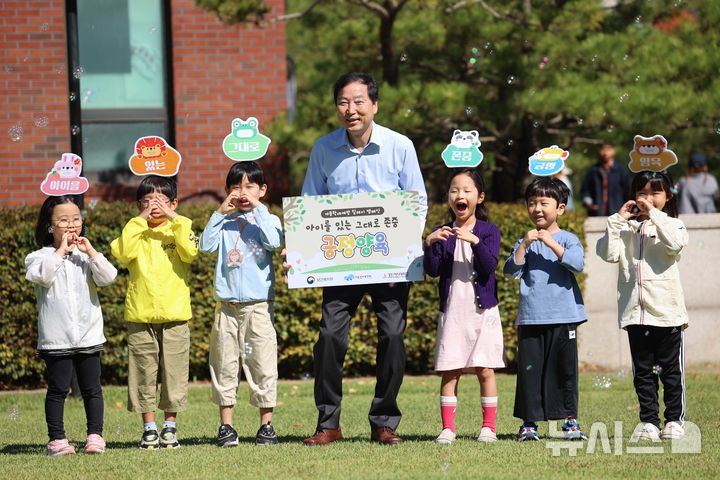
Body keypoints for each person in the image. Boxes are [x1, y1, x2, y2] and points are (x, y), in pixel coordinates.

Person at [300, 71, 428, 445]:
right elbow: (311, 205)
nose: (350, 109)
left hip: (390, 262)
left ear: (374, 105)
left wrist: (406, 244)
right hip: (339, 262)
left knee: (391, 334)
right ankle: (328, 424)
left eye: (358, 102)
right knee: (329, 337)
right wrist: (303, 247)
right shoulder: (323, 149)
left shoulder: (400, 145)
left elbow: (416, 202)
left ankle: (384, 421)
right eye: (343, 102)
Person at [596, 170, 689, 441]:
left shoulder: (673, 225)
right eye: (642, 193)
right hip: (635, 315)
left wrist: (655, 214)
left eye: (654, 193)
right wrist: (616, 221)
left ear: (668, 196)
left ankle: (674, 420)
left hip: (667, 314)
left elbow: (675, 243)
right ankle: (649, 421)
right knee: (643, 374)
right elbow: (608, 254)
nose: (647, 199)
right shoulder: (626, 228)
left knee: (671, 372)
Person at [110, 176, 198, 449]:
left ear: (173, 203)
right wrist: (139, 220)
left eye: (160, 200)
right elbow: (123, 252)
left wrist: (176, 218)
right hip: (140, 315)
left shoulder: (179, 228)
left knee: (174, 373)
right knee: (143, 372)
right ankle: (149, 427)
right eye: (147, 201)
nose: (153, 206)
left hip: (175, 315)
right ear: (139, 205)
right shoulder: (134, 231)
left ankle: (170, 427)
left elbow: (191, 251)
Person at [25, 195, 117, 456]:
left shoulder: (86, 256)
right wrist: (61, 252)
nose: (71, 225)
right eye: (63, 220)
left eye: (76, 219)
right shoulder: (38, 257)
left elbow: (109, 277)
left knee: (92, 389)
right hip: (57, 338)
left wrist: (91, 252)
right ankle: (57, 440)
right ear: (50, 226)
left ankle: (95, 437)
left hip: (88, 335)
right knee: (57, 389)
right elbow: (41, 276)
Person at [199, 161, 283, 447]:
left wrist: (258, 208)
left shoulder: (268, 219)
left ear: (262, 190)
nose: (243, 192)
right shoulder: (224, 222)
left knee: (262, 363)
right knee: (224, 364)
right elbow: (205, 246)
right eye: (236, 187)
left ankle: (266, 426)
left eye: (250, 186)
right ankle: (226, 426)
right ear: (227, 191)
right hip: (226, 306)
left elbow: (273, 241)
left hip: (258, 305)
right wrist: (221, 211)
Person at [503, 177, 587, 442]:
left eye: (544, 203)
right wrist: (525, 245)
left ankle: (570, 420)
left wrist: (551, 243)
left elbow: (577, 264)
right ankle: (529, 424)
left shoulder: (569, 239)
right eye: (531, 203)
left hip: (564, 317)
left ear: (560, 208)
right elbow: (510, 270)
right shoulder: (524, 241)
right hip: (531, 318)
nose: (537, 209)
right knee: (530, 371)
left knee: (565, 370)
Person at [423, 168, 504, 444]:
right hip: (453, 312)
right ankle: (447, 428)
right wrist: (430, 244)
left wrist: (475, 242)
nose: (460, 195)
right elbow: (433, 270)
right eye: (454, 190)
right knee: (451, 368)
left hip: (482, 313)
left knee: (485, 368)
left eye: (467, 190)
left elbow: (489, 266)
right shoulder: (441, 232)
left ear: (479, 197)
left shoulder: (489, 231)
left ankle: (488, 427)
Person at [581, 143, 631, 216]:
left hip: (617, 213)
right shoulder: (593, 171)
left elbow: (627, 192)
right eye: (602, 149)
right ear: (599, 151)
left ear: (614, 151)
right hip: (596, 213)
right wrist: (588, 203)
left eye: (608, 149)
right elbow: (585, 190)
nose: (605, 152)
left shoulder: (622, 171)